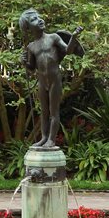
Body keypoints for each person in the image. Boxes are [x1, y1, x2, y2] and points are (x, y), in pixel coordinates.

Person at [19, 8, 83, 148]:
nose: (40, 20)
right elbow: (31, 67)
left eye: (39, 17)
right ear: (28, 28)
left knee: (54, 111)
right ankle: (43, 137)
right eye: (34, 20)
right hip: (42, 82)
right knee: (44, 111)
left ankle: (51, 140)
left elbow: (68, 51)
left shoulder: (53, 37)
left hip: (54, 80)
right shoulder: (31, 47)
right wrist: (24, 62)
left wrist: (73, 37)